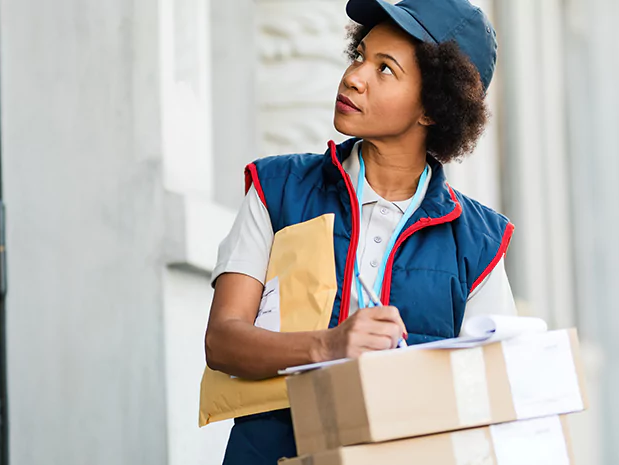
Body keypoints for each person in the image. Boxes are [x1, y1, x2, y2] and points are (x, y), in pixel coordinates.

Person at [204, 0, 517, 463]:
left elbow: (492, 393)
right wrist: (328, 344)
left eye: (385, 69)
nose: (354, 76)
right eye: (360, 55)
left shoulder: (479, 244)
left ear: (433, 108)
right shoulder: (276, 190)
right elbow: (222, 341)